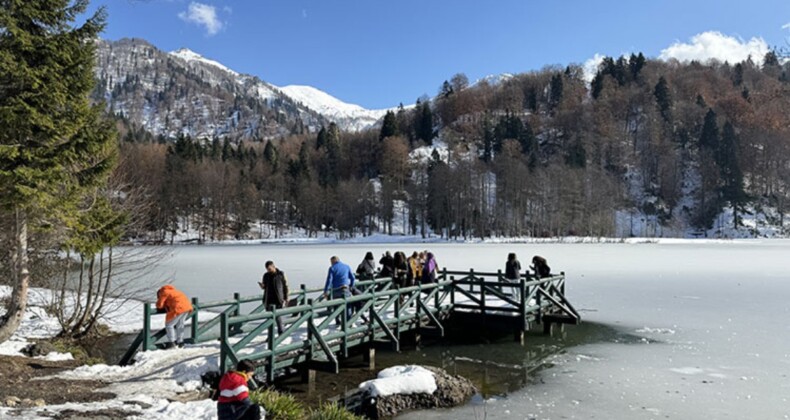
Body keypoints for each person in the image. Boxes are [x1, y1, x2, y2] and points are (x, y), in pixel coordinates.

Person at [156, 285, 193, 349]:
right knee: (180, 324)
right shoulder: (175, 291)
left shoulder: (164, 292)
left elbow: (159, 305)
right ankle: (180, 342)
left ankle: (171, 342)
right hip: (187, 308)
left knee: (169, 325)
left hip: (179, 309)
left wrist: (159, 302)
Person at [258, 260, 289, 335]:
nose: (269, 271)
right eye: (267, 269)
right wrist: (262, 286)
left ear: (273, 266)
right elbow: (264, 287)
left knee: (278, 317)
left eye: (269, 269)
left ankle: (281, 333)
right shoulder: (266, 275)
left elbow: (286, 286)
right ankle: (270, 336)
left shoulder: (281, 274)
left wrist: (286, 297)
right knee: (269, 319)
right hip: (268, 300)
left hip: (278, 299)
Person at [324, 256, 356, 321]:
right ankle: (348, 322)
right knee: (348, 305)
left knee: (336, 305)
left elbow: (329, 280)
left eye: (331, 262)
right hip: (346, 288)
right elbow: (352, 278)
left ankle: (338, 320)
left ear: (333, 261)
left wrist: (326, 291)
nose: (331, 264)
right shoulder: (347, 266)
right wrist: (351, 286)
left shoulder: (332, 268)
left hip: (336, 289)